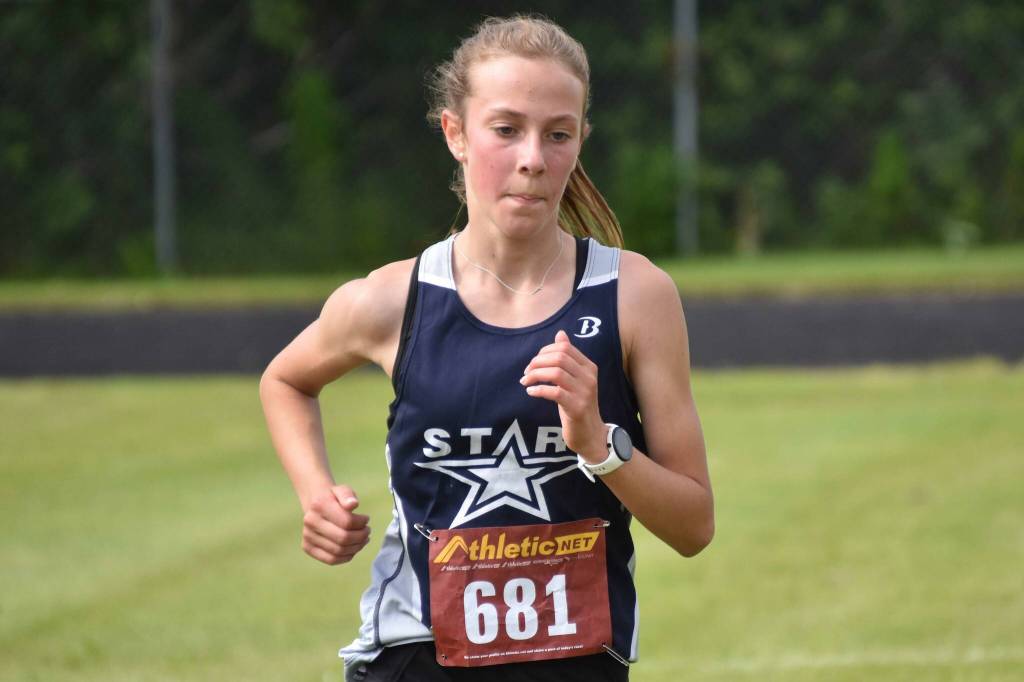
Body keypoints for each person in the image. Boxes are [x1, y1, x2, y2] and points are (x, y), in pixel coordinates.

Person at [259, 14, 713, 682]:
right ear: (455, 134)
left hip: (574, 665)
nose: (533, 157)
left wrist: (600, 445)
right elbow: (286, 380)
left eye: (558, 134)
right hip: (415, 657)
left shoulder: (634, 296)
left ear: (580, 141)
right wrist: (315, 493)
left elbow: (693, 526)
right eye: (506, 130)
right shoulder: (394, 298)